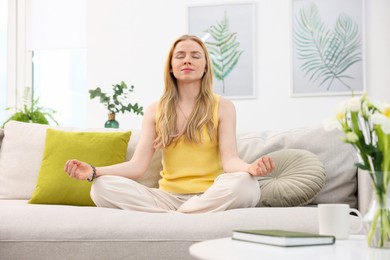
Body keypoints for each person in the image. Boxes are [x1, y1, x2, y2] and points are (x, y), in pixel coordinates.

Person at [64, 34, 275, 213]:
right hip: (167, 198)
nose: (187, 60)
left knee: (247, 186)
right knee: (101, 188)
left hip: (211, 194)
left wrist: (250, 168)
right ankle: (188, 214)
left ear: (205, 67)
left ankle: (177, 216)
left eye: (195, 56)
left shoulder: (223, 107)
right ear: (172, 67)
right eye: (180, 56)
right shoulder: (155, 110)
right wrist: (94, 171)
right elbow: (137, 166)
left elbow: (230, 161)